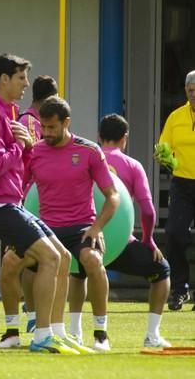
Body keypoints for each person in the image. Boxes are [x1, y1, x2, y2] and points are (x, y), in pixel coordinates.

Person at [0, 55, 80, 354]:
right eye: (21, 77)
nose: (26, 84)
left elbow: (21, 166)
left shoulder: (11, 112)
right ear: (4, 79)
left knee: (63, 256)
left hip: (13, 203)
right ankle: (41, 334)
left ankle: (55, 332)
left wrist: (28, 147)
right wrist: (21, 144)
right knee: (49, 259)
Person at [24, 96, 120, 351]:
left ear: (66, 122)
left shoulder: (89, 150)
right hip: (46, 228)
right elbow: (17, 187)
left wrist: (96, 228)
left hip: (81, 227)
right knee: (12, 261)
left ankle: (101, 333)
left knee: (93, 261)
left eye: (52, 127)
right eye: (43, 127)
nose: (46, 133)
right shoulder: (34, 151)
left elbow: (113, 197)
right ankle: (20, 328)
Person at [67, 114, 171, 348]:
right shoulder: (133, 166)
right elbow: (148, 210)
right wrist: (149, 240)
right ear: (125, 138)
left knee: (78, 273)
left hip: (86, 237)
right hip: (120, 243)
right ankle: (152, 335)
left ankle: (74, 333)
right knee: (162, 270)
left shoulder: (88, 158)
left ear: (99, 136)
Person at [2, 75, 59, 335]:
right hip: (25, 198)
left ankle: (33, 315)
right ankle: (30, 314)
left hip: (34, 197)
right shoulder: (29, 122)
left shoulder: (31, 120)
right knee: (22, 260)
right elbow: (33, 157)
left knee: (32, 260)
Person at [157, 70, 195, 311]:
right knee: (174, 233)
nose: (194, 94)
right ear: (185, 91)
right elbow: (163, 149)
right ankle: (180, 289)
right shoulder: (176, 117)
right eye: (190, 90)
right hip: (182, 183)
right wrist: (172, 164)